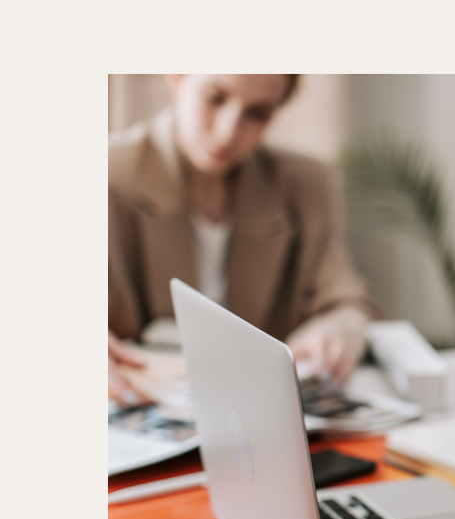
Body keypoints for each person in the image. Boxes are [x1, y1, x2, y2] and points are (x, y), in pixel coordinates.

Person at [109, 74, 376, 404]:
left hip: (261, 414)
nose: (228, 132)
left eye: (258, 113)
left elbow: (347, 303)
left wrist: (335, 333)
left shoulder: (303, 185)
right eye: (215, 98)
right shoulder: (109, 174)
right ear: (177, 78)